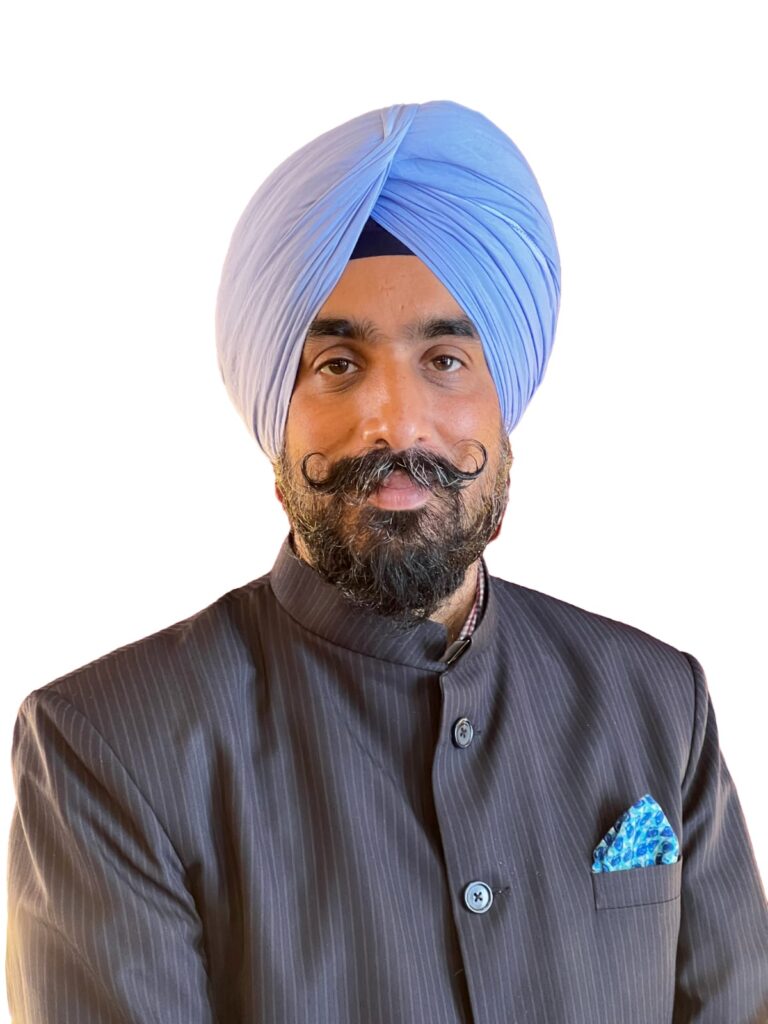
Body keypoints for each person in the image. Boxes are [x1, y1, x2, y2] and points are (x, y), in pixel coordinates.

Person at [5, 101, 767, 1023]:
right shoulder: (110, 746)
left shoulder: (655, 700)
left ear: (504, 399)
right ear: (275, 413)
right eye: (336, 364)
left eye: (445, 359)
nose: (397, 424)